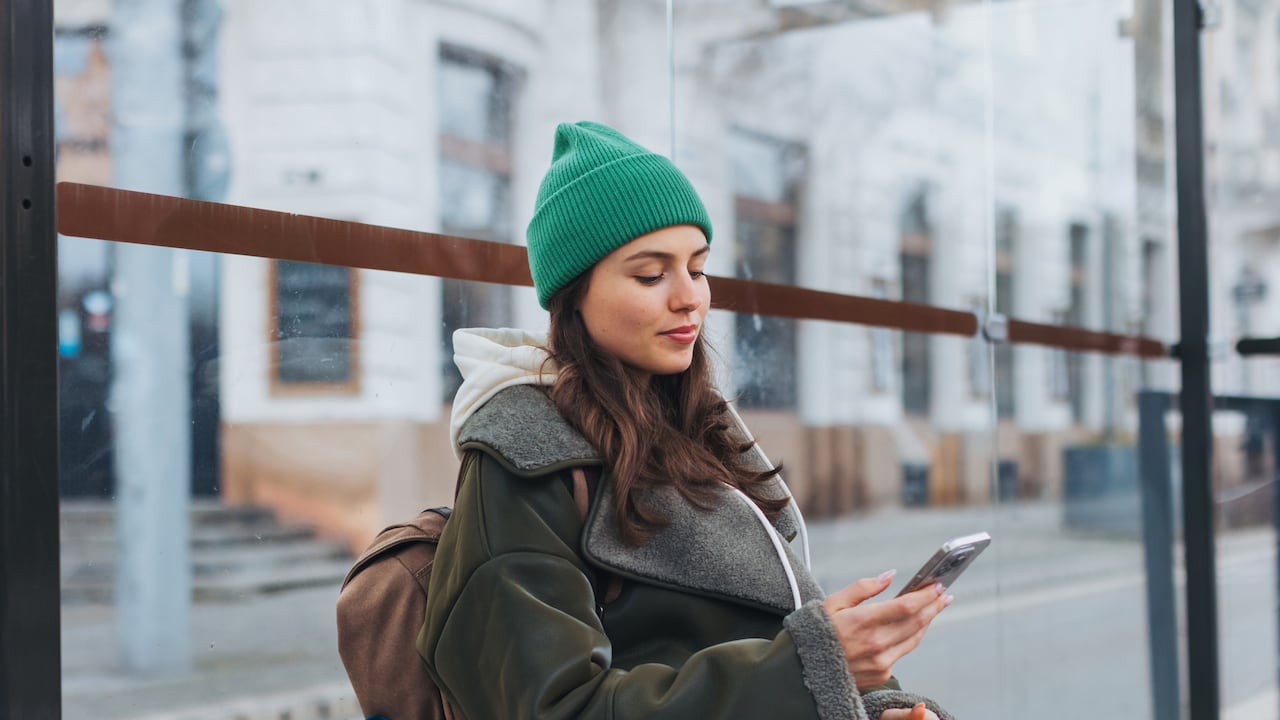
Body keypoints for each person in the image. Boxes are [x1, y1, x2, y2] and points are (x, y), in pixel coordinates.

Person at [420, 121, 954, 720]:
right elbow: (558, 708)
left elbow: (763, 631)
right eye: (651, 274)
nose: (689, 297)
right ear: (573, 294)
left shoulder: (703, 426)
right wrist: (810, 668)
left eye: (698, 268)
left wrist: (879, 704)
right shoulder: (523, 462)